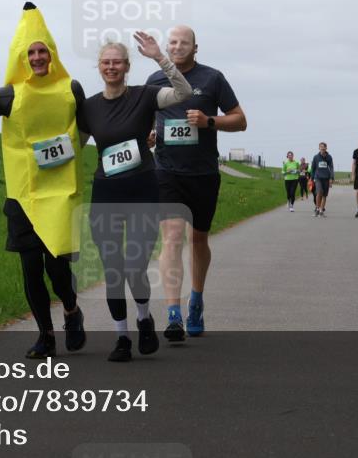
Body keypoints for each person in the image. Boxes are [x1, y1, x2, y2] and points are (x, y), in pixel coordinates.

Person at [0, 2, 86, 360]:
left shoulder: (72, 89)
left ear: (52, 54)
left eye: (43, 51)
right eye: (32, 53)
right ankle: (45, 335)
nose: (38, 57)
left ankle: (71, 309)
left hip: (59, 193)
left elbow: (90, 126)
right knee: (30, 268)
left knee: (57, 269)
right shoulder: (10, 94)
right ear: (22, 58)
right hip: (23, 194)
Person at [78, 33, 192, 361]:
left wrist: (160, 57)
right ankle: (122, 337)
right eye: (106, 62)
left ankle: (143, 319)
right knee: (112, 268)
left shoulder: (145, 96)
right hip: (106, 193)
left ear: (127, 66)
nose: (111, 67)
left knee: (134, 266)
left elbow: (183, 92)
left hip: (142, 190)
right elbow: (75, 145)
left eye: (117, 62)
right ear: (99, 67)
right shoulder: (90, 107)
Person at [146, 26, 246, 341]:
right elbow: (146, 119)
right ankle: (173, 313)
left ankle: (196, 300)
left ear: (195, 48)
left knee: (198, 241)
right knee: (172, 237)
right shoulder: (155, 80)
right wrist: (146, 135)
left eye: (183, 43)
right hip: (166, 171)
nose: (177, 47)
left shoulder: (212, 78)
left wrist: (209, 122)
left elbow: (240, 120)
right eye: (172, 42)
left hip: (202, 173)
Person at [311, 142, 334, 217]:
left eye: (324, 147)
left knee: (324, 195)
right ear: (319, 148)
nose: (322, 148)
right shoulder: (316, 157)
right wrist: (312, 178)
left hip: (326, 178)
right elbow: (313, 168)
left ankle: (321, 210)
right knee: (319, 192)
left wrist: (331, 178)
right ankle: (317, 208)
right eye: (321, 147)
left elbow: (331, 167)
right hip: (318, 178)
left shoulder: (329, 157)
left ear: (326, 148)